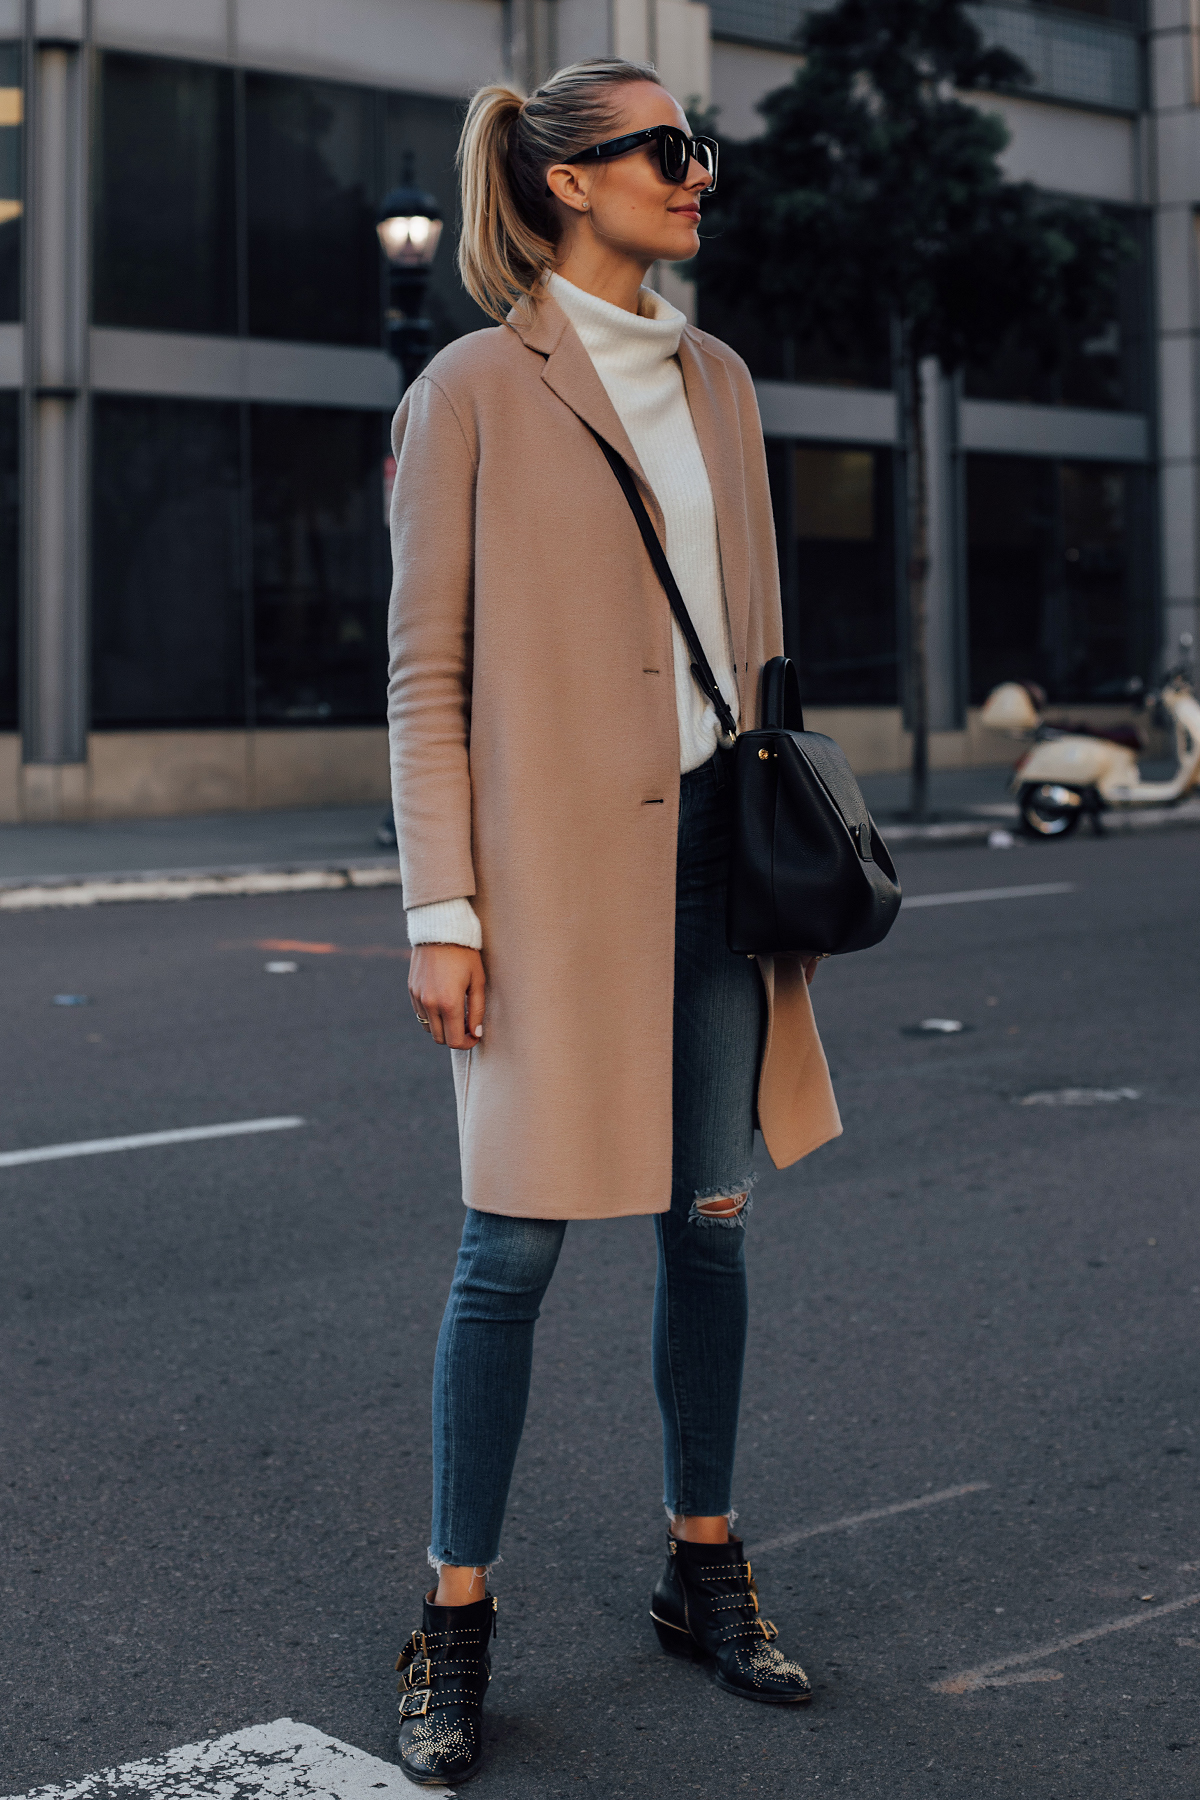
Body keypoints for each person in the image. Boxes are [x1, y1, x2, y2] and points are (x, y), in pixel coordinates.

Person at [386, 57, 842, 1787]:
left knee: (711, 1229)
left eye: (700, 147)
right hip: (552, 889)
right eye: (667, 149)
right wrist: (447, 906)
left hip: (724, 866)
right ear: (569, 179)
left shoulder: (719, 380)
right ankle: (456, 1613)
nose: (698, 173)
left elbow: (763, 644)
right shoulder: (475, 389)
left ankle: (702, 1564)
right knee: (509, 1250)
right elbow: (427, 679)